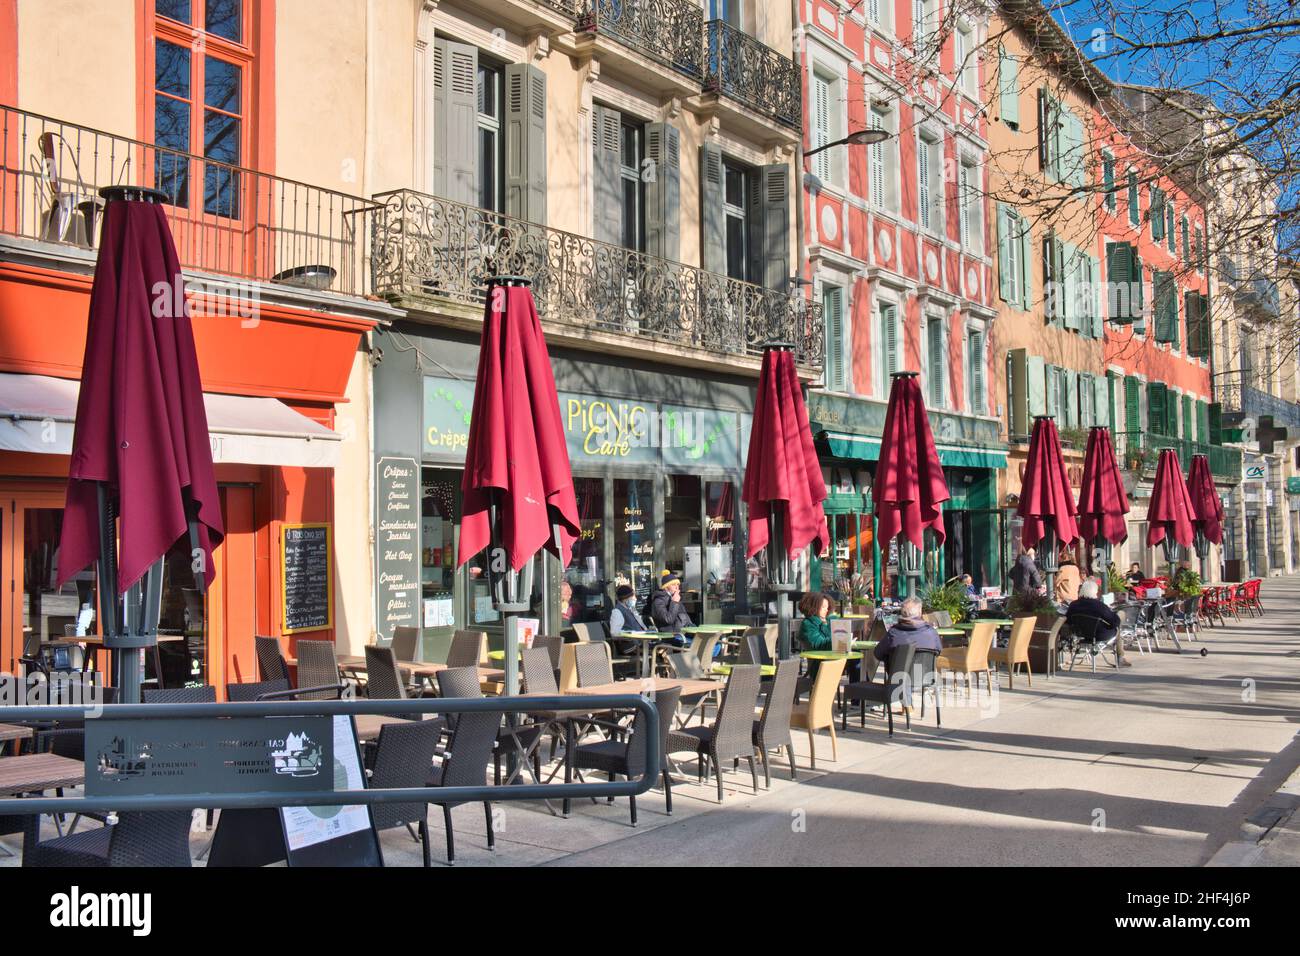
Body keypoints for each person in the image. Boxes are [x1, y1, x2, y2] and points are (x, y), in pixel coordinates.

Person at [798, 591, 858, 681]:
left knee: (858, 659)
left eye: (827, 607)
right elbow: (819, 644)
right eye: (823, 607)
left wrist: (846, 640)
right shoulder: (808, 624)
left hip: (836, 657)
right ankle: (856, 690)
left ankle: (855, 689)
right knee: (856, 662)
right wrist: (843, 641)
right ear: (813, 608)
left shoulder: (831, 620)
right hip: (821, 662)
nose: (826, 610)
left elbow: (840, 635)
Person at [872, 596, 944, 672]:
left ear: (902, 612)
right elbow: (938, 651)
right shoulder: (931, 633)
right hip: (925, 680)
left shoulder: (893, 633)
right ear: (920, 613)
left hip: (897, 681)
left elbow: (878, 653)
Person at [1067, 579, 1128, 666]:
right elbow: (1114, 622)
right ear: (1094, 591)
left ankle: (1120, 653)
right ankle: (1120, 657)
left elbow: (1068, 621)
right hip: (1100, 634)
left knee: (1116, 626)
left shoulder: (1073, 605)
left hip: (1081, 634)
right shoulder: (1099, 605)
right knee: (1120, 617)